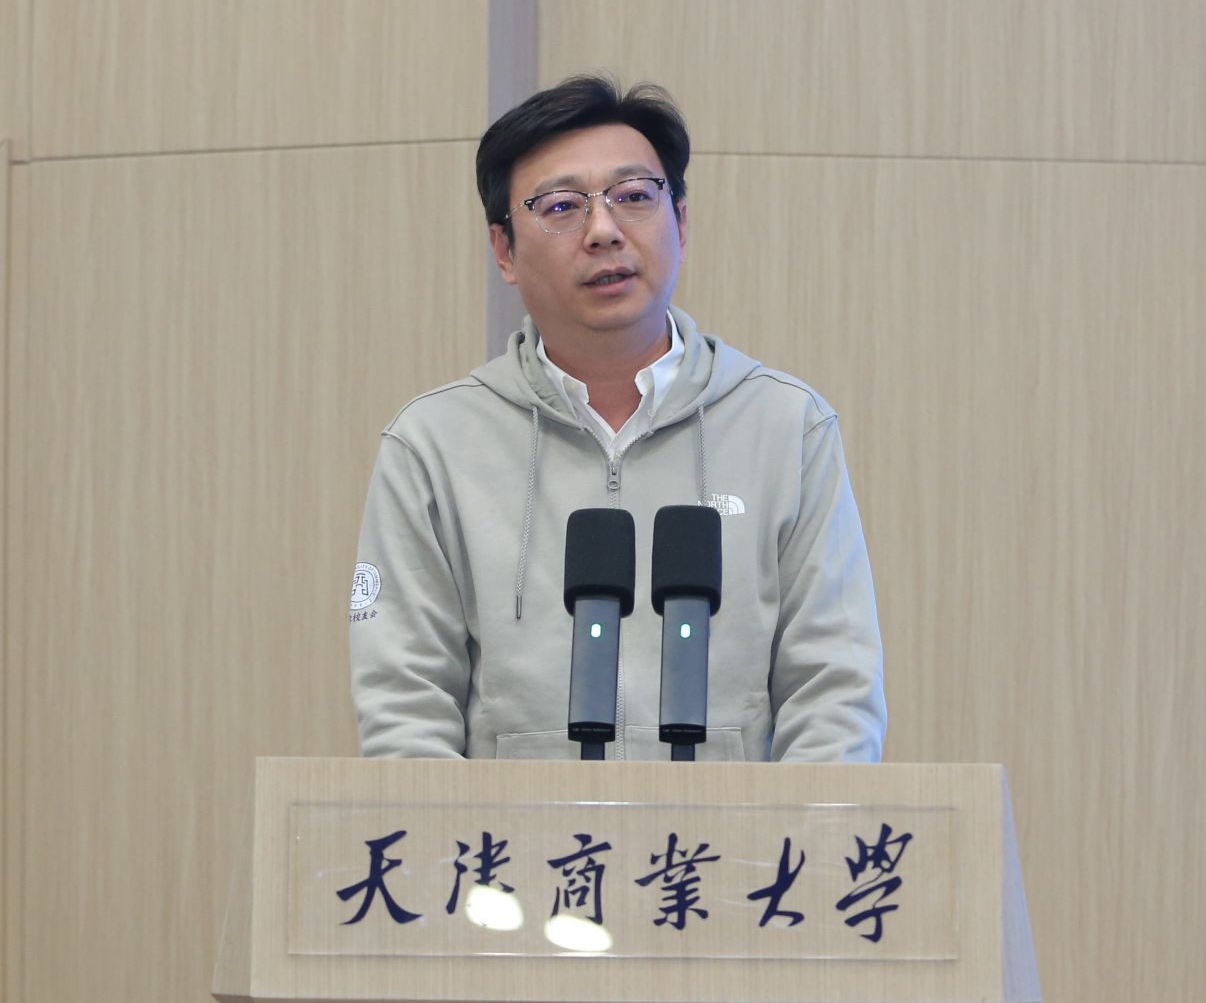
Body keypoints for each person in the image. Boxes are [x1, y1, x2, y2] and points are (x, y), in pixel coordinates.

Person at [348, 76, 886, 761]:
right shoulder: (434, 445)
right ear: (505, 250)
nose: (603, 231)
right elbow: (404, 709)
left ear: (680, 223)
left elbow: (834, 696)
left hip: (727, 833)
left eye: (633, 197)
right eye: (561, 207)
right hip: (515, 833)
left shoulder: (787, 427)